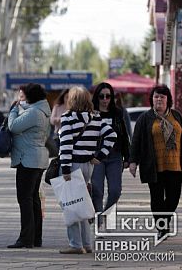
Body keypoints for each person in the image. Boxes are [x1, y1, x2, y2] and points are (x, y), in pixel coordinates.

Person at [58, 86, 116, 254]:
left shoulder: (67, 117)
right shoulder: (96, 117)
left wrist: (66, 169)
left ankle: (76, 245)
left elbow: (66, 144)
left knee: (70, 205)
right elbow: (112, 135)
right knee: (81, 204)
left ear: (72, 100)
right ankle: (87, 243)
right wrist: (100, 155)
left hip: (72, 165)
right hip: (88, 166)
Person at [129, 85, 182, 240]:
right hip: (154, 166)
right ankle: (162, 228)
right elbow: (136, 141)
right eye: (156, 96)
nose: (159, 99)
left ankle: (164, 221)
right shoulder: (145, 118)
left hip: (175, 166)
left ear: (168, 99)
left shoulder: (177, 116)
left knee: (173, 198)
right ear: (152, 99)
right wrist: (133, 161)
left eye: (162, 96)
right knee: (157, 198)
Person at [7, 83, 51, 249]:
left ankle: (26, 238)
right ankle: (35, 238)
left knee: (25, 199)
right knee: (33, 200)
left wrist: (12, 111)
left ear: (30, 97)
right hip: (36, 158)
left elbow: (13, 126)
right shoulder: (43, 110)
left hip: (28, 160)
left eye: (23, 95)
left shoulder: (34, 112)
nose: (20, 98)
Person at [91, 83, 130, 222]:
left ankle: (105, 215)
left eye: (108, 96)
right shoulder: (91, 113)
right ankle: (100, 224)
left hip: (115, 156)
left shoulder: (118, 113)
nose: (105, 99)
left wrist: (128, 157)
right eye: (102, 96)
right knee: (97, 190)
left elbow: (125, 135)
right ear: (97, 97)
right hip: (96, 157)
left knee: (115, 191)